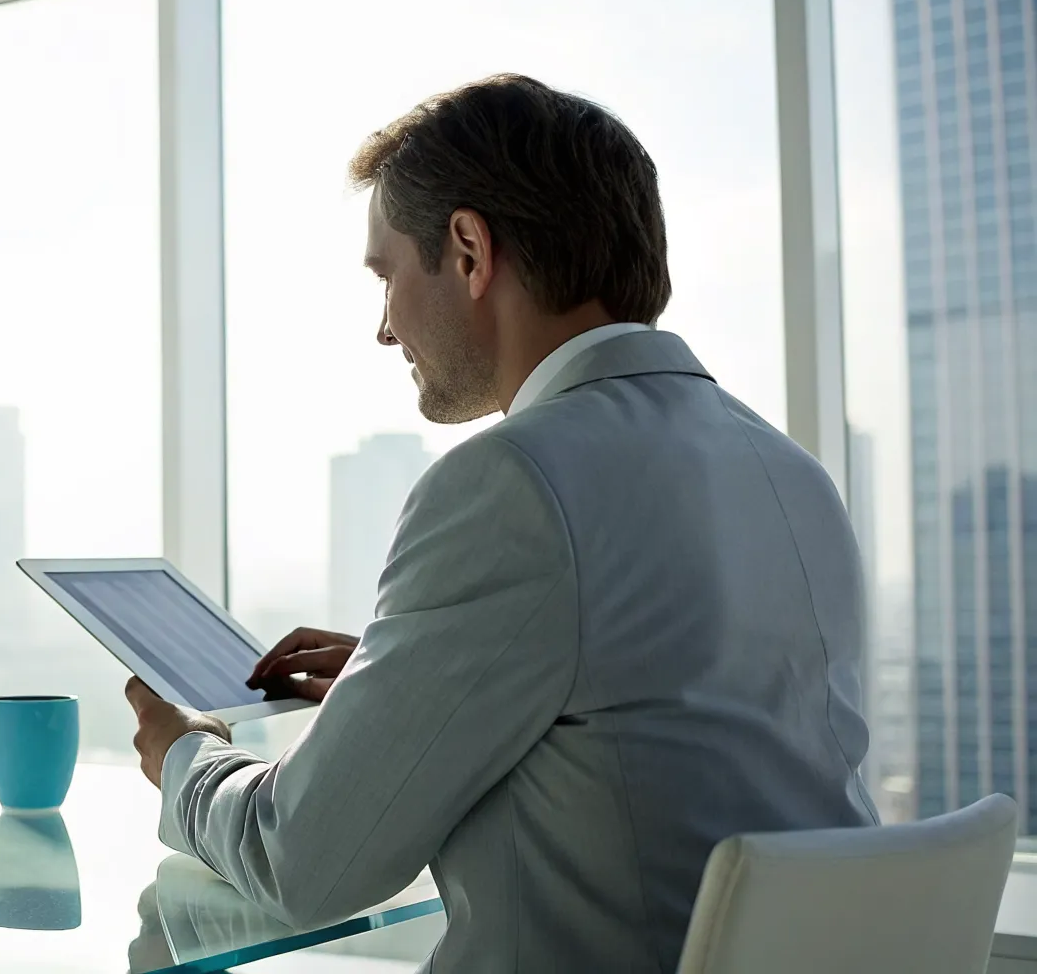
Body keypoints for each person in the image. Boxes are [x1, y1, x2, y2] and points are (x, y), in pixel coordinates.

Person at [123, 74, 877, 972]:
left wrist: (186, 759)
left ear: (470, 251)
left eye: (386, 274)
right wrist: (403, 687)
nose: (384, 327)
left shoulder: (513, 483)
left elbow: (301, 861)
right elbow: (658, 723)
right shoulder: (791, 474)